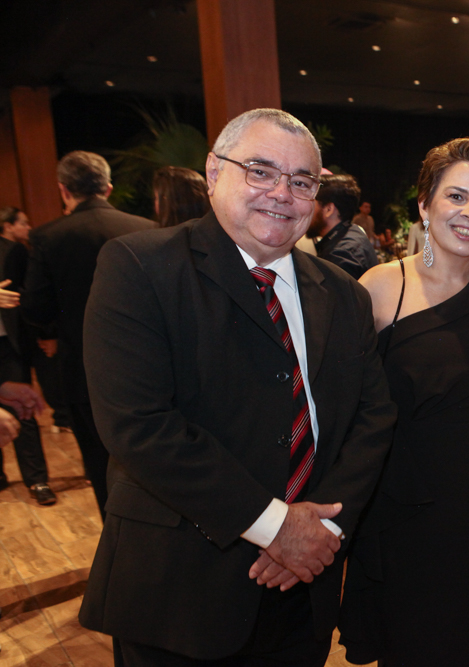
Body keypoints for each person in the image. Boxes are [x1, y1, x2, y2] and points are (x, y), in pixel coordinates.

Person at [77, 108, 396, 665]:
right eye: (260, 170)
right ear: (212, 172)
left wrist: (324, 531)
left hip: (305, 588)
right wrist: (276, 527)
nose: (281, 193)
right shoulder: (138, 267)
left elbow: (373, 418)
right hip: (182, 592)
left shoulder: (344, 294)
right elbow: (139, 425)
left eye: (301, 181)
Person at [339, 137, 469, 666]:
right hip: (403, 505)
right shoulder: (380, 286)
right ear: (424, 205)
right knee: (415, 643)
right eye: (457, 196)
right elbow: (345, 404)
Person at [22, 150, 155, 518]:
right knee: (152, 459)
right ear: (108, 187)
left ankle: (117, 546)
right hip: (147, 366)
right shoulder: (146, 228)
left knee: (100, 464)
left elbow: (36, 308)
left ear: (64, 190)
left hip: (83, 369)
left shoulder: (48, 236)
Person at [0, 207, 53, 505]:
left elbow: (29, 295)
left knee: (22, 410)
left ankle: (37, 480)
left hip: (7, 343)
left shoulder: (12, 251)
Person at [308, 173, 377, 279]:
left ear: (328, 209)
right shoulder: (353, 233)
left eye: (311, 203)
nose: (305, 210)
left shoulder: (340, 254)